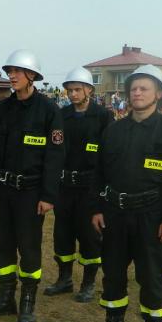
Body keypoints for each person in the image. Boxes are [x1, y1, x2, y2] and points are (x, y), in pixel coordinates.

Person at [89, 64, 162, 322]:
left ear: (158, 94)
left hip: (151, 216)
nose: (137, 93)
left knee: (152, 277)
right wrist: (97, 208)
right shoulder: (114, 130)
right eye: (133, 88)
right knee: (113, 273)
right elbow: (99, 173)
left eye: (144, 88)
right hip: (115, 214)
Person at [0, 49, 65, 322]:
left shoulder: (49, 111)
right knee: (1, 244)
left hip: (31, 193)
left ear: (32, 75)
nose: (11, 76)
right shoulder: (0, 110)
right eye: (9, 72)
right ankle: (5, 298)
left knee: (28, 247)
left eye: (16, 71)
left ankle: (27, 302)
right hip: (2, 190)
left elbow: (55, 157)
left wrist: (48, 195)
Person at [45, 66, 113, 302]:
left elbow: (109, 155)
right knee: (62, 234)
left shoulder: (103, 116)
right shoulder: (61, 116)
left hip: (89, 188)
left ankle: (88, 283)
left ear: (89, 90)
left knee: (90, 236)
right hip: (65, 187)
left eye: (77, 90)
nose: (72, 94)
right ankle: (64, 279)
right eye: (69, 90)